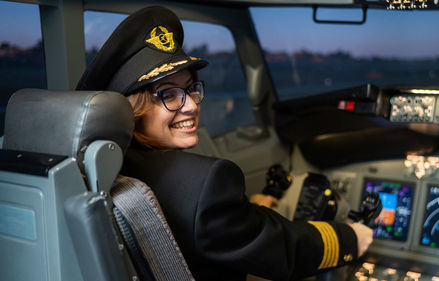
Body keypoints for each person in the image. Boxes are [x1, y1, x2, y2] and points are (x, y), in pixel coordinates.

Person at [77, 6, 373, 281]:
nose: (191, 106)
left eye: (191, 89)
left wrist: (244, 211)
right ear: (133, 109)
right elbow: (282, 249)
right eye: (168, 95)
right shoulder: (204, 183)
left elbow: (210, 227)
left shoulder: (102, 167)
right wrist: (349, 238)